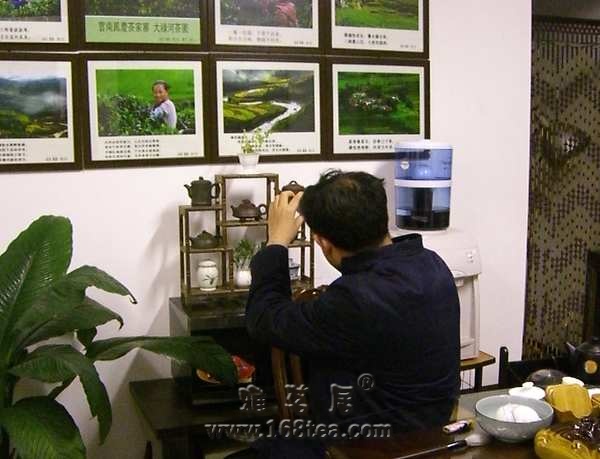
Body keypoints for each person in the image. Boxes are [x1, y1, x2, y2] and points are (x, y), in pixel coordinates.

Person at [244, 170, 461, 457]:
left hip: (369, 446)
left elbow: (264, 318)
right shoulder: (432, 265)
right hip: (431, 432)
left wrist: (276, 242)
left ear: (323, 243)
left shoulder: (355, 298)